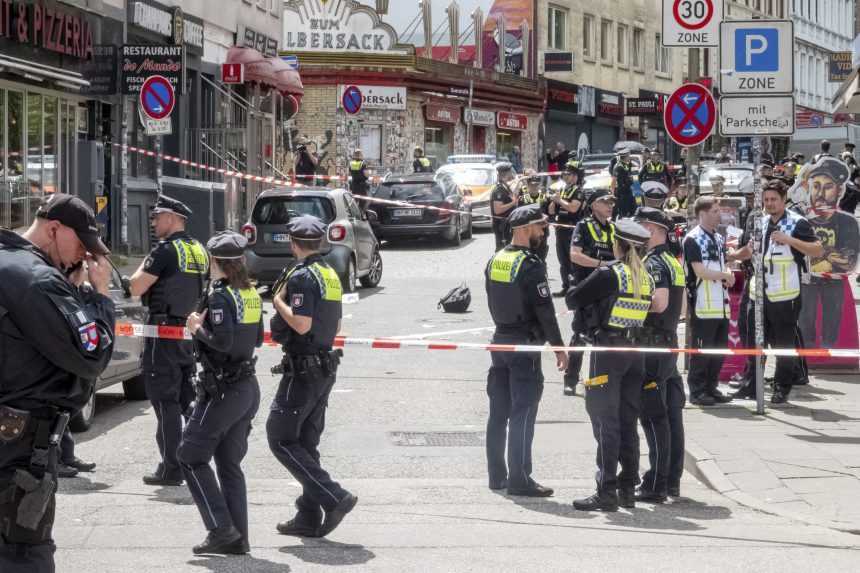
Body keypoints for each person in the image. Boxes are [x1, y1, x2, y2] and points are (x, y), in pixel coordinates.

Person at [0, 193, 115, 572]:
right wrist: (98, 296)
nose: (85, 255)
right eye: (81, 243)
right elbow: (92, 355)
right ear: (53, 229)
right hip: (18, 448)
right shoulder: (37, 280)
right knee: (24, 557)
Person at [268, 215, 356, 538]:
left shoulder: (303, 276)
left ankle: (334, 496)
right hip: (323, 367)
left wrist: (278, 301)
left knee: (279, 438)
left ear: (293, 243)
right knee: (305, 442)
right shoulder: (330, 273)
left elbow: (301, 323)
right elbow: (334, 326)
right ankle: (306, 515)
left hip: (303, 369)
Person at [177, 231, 263, 555]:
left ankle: (221, 529)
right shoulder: (250, 293)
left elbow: (223, 341)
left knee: (189, 455)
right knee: (228, 464)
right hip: (245, 388)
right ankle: (238, 538)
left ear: (216, 262)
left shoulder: (221, 297)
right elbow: (256, 340)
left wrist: (197, 328)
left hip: (223, 390)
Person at [566, 219, 654, 511]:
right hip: (635, 352)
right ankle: (628, 488)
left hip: (608, 351)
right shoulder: (645, 276)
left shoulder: (609, 273)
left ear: (618, 244)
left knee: (606, 423)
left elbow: (573, 298)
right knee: (628, 422)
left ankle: (606, 490)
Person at [485, 204, 568, 497]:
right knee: (523, 411)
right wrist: (559, 348)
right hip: (524, 344)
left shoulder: (496, 259)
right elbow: (545, 310)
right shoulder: (531, 264)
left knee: (498, 412)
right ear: (523, 229)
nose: (543, 233)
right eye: (539, 227)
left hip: (500, 340)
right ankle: (520, 478)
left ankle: (497, 476)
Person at [128, 196, 210, 486]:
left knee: (166, 403)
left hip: (162, 336)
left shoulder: (165, 250)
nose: (152, 223)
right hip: (187, 335)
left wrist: (142, 265)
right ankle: (200, 451)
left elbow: (136, 286)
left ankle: (172, 467)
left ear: (172, 218)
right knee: (186, 399)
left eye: (156, 217)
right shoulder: (200, 249)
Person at [729, 180, 823, 403]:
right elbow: (750, 251)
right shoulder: (760, 223)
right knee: (753, 341)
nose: (769, 204)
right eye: (766, 200)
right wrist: (733, 255)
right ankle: (752, 385)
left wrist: (789, 240)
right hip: (757, 295)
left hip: (785, 297)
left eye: (774, 200)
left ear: (783, 200)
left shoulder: (797, 223)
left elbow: (818, 249)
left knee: (783, 346)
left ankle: (782, 387)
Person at [634, 208, 686, 502]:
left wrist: (627, 305)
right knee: (671, 414)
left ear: (654, 230)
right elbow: (683, 309)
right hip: (668, 341)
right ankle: (671, 480)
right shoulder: (672, 260)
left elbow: (661, 303)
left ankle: (655, 482)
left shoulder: (653, 262)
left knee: (654, 416)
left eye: (642, 226)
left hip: (653, 344)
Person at [798, 159, 860, 349]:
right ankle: (806, 363)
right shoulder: (800, 218)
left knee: (832, 331)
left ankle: (830, 357)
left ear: (840, 191)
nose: (820, 193)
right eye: (815, 186)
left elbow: (849, 263)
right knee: (804, 325)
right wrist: (830, 255)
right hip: (805, 281)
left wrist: (819, 252)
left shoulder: (847, 222)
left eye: (828, 186)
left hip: (834, 281)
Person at [564, 190, 617, 396]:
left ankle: (605, 379)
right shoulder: (583, 226)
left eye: (611, 202)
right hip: (586, 287)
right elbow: (575, 256)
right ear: (593, 205)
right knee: (580, 333)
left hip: (609, 290)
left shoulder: (614, 228)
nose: (609, 205)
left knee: (606, 334)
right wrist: (602, 264)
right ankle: (570, 379)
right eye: (605, 202)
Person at [683, 197, 735, 406]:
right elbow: (700, 271)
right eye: (714, 211)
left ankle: (711, 387)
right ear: (702, 214)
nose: (719, 215)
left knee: (718, 350)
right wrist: (724, 275)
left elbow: (723, 264)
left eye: (718, 211)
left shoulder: (718, 238)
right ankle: (697, 390)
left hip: (721, 304)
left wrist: (727, 273)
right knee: (702, 351)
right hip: (703, 304)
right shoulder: (693, 239)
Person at [548, 160, 585, 296]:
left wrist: (559, 201)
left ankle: (575, 287)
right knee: (562, 260)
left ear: (575, 176)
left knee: (573, 259)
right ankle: (566, 286)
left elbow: (574, 208)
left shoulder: (579, 191)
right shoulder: (562, 190)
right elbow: (552, 211)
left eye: (569, 174)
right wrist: (553, 201)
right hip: (561, 229)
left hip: (573, 229)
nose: (566, 177)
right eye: (564, 174)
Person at [517, 172, 550, 260]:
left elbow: (550, 215)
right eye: (532, 185)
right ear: (528, 185)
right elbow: (520, 217)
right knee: (526, 258)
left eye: (536, 184)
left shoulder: (545, 198)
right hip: (527, 233)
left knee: (541, 258)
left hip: (541, 233)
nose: (534, 187)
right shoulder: (522, 199)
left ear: (539, 185)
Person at [491, 163, 517, 250]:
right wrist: (513, 203)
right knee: (502, 251)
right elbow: (498, 210)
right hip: (502, 226)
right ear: (506, 173)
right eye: (510, 171)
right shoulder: (499, 190)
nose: (512, 173)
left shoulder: (505, 187)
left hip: (508, 225)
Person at [613, 149, 637, 218]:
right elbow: (614, 180)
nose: (629, 157)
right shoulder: (619, 167)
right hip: (622, 193)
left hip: (627, 191)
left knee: (633, 210)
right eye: (628, 156)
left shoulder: (625, 165)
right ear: (626, 157)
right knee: (624, 213)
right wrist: (613, 192)